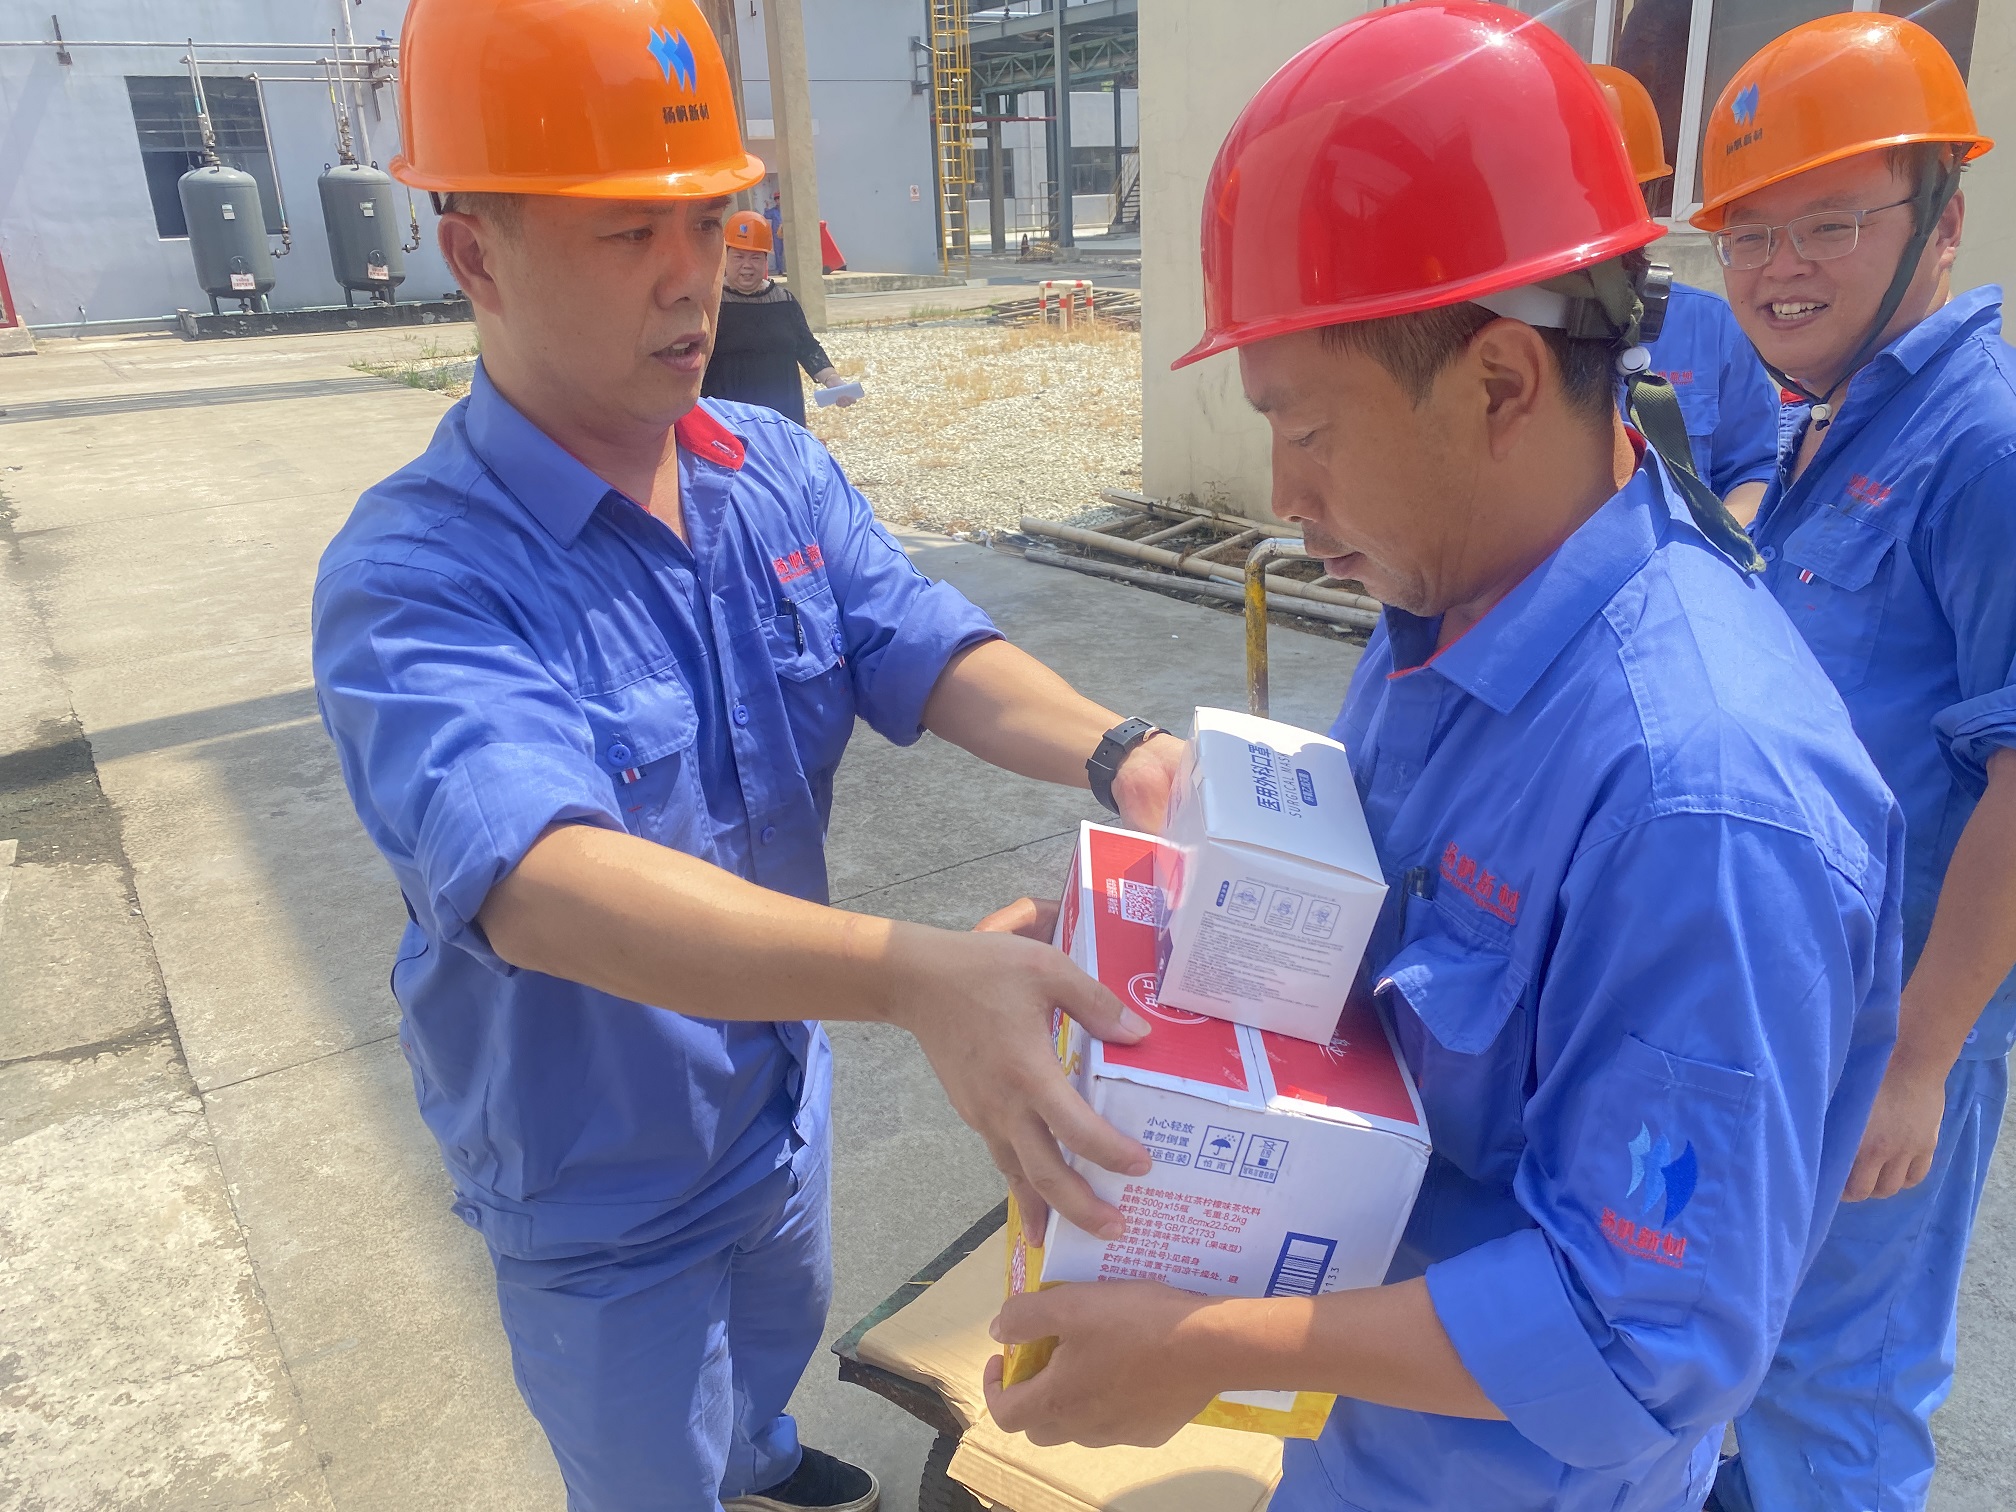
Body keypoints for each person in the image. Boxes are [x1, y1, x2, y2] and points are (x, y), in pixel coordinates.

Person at [977, 8, 1904, 1510]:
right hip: (1362, 1438)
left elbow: (1645, 1338)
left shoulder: (1702, 803)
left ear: (1499, 383)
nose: (1284, 495)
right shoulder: (1445, 608)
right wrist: (1122, 941)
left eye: (1307, 429)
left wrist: (1201, 1348)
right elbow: (1372, 944)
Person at [310, 3, 1186, 1510]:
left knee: (773, 1344)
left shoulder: (763, 468)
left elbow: (920, 642)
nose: (691, 277)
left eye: (710, 222)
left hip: (779, 1094)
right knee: (651, 1467)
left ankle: (763, 1456)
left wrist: (1126, 754)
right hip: (600, 1178)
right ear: (474, 256)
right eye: (626, 232)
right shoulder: (419, 577)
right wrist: (913, 977)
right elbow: (541, 882)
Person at [1689, 17, 2016, 1512]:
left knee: (1840, 1393)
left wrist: (1921, 1063)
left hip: (1894, 1029)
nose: (1781, 268)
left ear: (1941, 224)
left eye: (1830, 222)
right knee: (1757, 1345)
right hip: (1796, 1004)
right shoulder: (1832, 418)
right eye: (1751, 234)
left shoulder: (1983, 445)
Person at [1592, 64, 1779, 524]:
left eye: (1611, 201)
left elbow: (1756, 468)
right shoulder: (1495, 336)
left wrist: (1711, 546)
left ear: (1651, 201)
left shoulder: (1710, 327)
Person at [704, 209, 854, 424]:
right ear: (724, 257)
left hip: (781, 415)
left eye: (755, 257)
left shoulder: (783, 301)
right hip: (728, 416)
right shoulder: (711, 301)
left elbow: (807, 347)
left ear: (766, 260)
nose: (747, 265)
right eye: (739, 256)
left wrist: (833, 380)